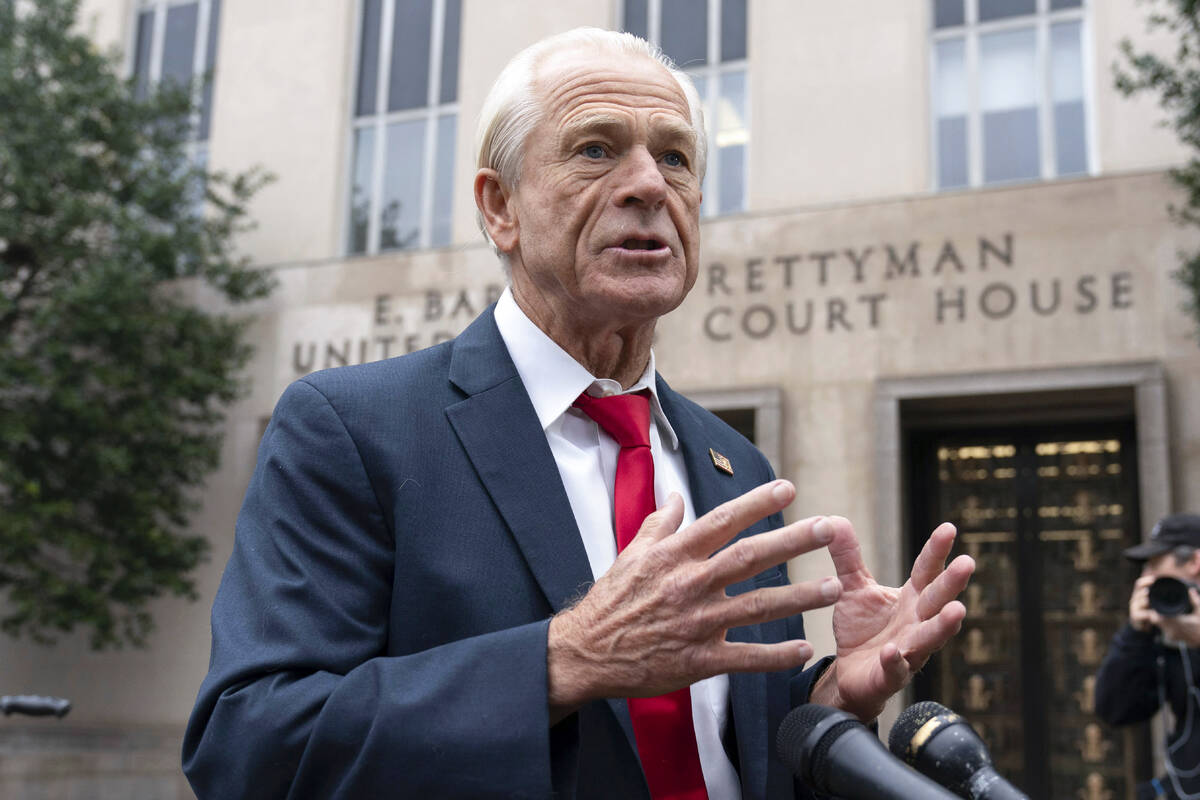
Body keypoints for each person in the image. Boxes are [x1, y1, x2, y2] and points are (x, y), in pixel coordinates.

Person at [182, 28, 974, 799]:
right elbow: (249, 746)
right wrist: (565, 660)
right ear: (501, 208)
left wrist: (831, 703)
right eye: (596, 150)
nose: (649, 186)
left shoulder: (735, 463)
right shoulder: (354, 430)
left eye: (675, 158)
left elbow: (728, 759)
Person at [1095, 513, 1200, 800]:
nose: (1145, 579)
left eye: (1154, 565)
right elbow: (1116, 710)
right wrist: (1135, 635)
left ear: (1194, 562)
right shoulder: (1164, 639)